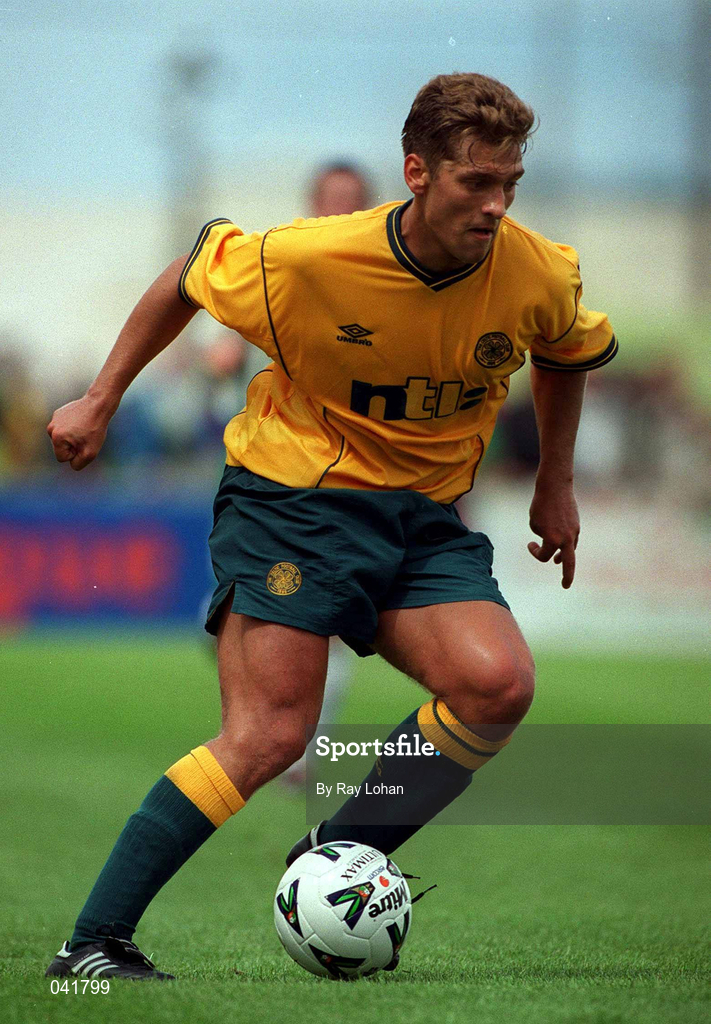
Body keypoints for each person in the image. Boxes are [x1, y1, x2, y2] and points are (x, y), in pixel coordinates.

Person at [45, 72, 617, 981]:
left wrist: (554, 484)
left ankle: (331, 854)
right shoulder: (307, 260)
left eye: (510, 183)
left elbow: (566, 351)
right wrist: (101, 398)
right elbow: (189, 273)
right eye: (476, 182)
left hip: (423, 520)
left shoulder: (538, 269)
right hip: (292, 507)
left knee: (496, 684)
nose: (496, 204)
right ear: (417, 172)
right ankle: (93, 944)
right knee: (270, 736)